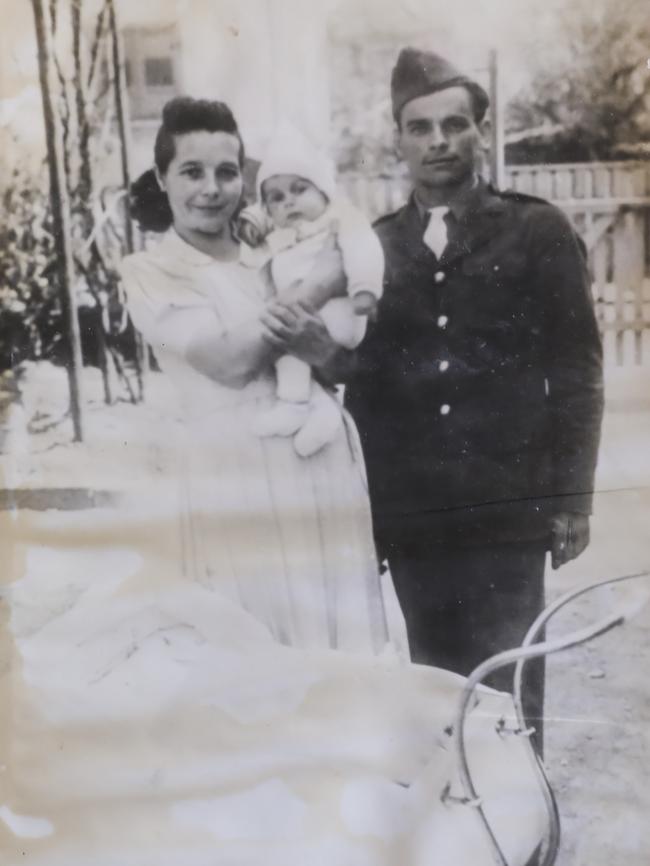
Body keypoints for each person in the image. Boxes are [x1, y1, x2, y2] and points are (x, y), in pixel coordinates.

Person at [344, 48, 605, 741]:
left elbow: (577, 372)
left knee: (509, 696)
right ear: (397, 139)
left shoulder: (536, 230)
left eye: (454, 125)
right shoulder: (373, 249)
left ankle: (522, 846)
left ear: (480, 133)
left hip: (508, 511)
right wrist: (366, 519)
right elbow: (364, 393)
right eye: (419, 126)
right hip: (416, 517)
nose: (438, 142)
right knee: (439, 695)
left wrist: (571, 503)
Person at [120, 96, 397, 656]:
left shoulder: (270, 245)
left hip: (319, 465)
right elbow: (228, 361)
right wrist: (322, 282)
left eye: (226, 172)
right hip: (234, 477)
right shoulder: (152, 271)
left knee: (336, 639)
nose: (211, 189)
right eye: (191, 172)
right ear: (163, 178)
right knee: (259, 646)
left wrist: (325, 349)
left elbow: (343, 364)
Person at [238, 122, 384, 458]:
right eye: (277, 198)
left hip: (339, 314)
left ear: (323, 190)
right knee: (290, 353)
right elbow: (258, 235)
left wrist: (365, 289)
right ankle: (311, 410)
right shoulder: (282, 234)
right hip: (304, 316)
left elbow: (364, 249)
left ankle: (303, 406)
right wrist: (252, 227)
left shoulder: (339, 219)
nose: (289, 202)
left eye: (299, 189)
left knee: (288, 342)